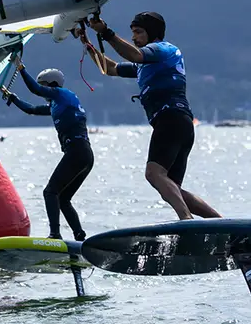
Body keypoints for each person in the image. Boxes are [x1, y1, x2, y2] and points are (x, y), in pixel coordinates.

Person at [78, 12, 221, 221]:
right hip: (179, 123)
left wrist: (106, 32)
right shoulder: (147, 64)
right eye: (133, 33)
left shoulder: (163, 49)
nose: (134, 37)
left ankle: (186, 221)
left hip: (170, 119)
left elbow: (135, 55)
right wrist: (88, 44)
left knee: (154, 174)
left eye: (138, 32)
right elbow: (110, 68)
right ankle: (219, 223)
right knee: (172, 188)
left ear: (152, 33)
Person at [0, 57, 94, 241]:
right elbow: (32, 109)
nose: (43, 91)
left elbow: (34, 89)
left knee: (50, 192)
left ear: (52, 84)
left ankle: (55, 235)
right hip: (84, 155)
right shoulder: (57, 104)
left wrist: (20, 68)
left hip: (77, 152)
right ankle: (80, 237)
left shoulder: (61, 94)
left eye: (45, 86)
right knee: (63, 198)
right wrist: (13, 98)